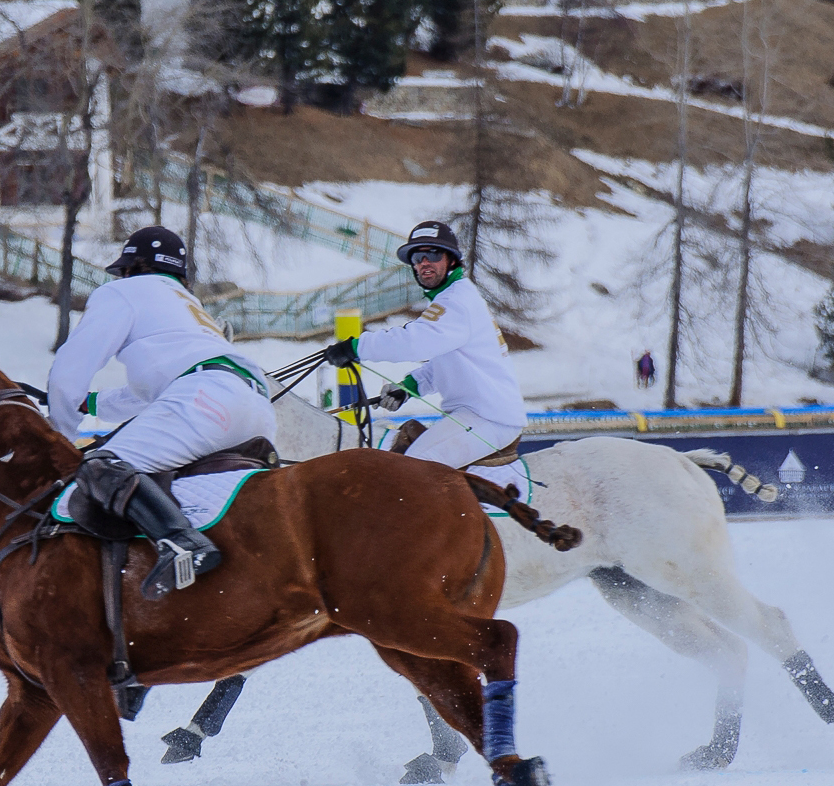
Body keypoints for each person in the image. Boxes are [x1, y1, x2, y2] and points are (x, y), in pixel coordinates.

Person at [47, 225, 278, 600]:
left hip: (205, 400)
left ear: (131, 268)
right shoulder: (187, 306)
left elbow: (67, 374)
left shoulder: (121, 291)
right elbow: (152, 394)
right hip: (254, 408)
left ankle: (182, 542)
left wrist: (60, 436)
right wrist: (90, 404)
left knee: (100, 467)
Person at [327, 220, 525, 473]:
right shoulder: (452, 299)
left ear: (451, 259)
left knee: (412, 475)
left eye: (432, 253)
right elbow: (448, 362)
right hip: (474, 416)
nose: (424, 263)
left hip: (488, 419)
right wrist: (410, 387)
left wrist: (356, 347)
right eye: (417, 257)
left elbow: (415, 342)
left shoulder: (456, 301)